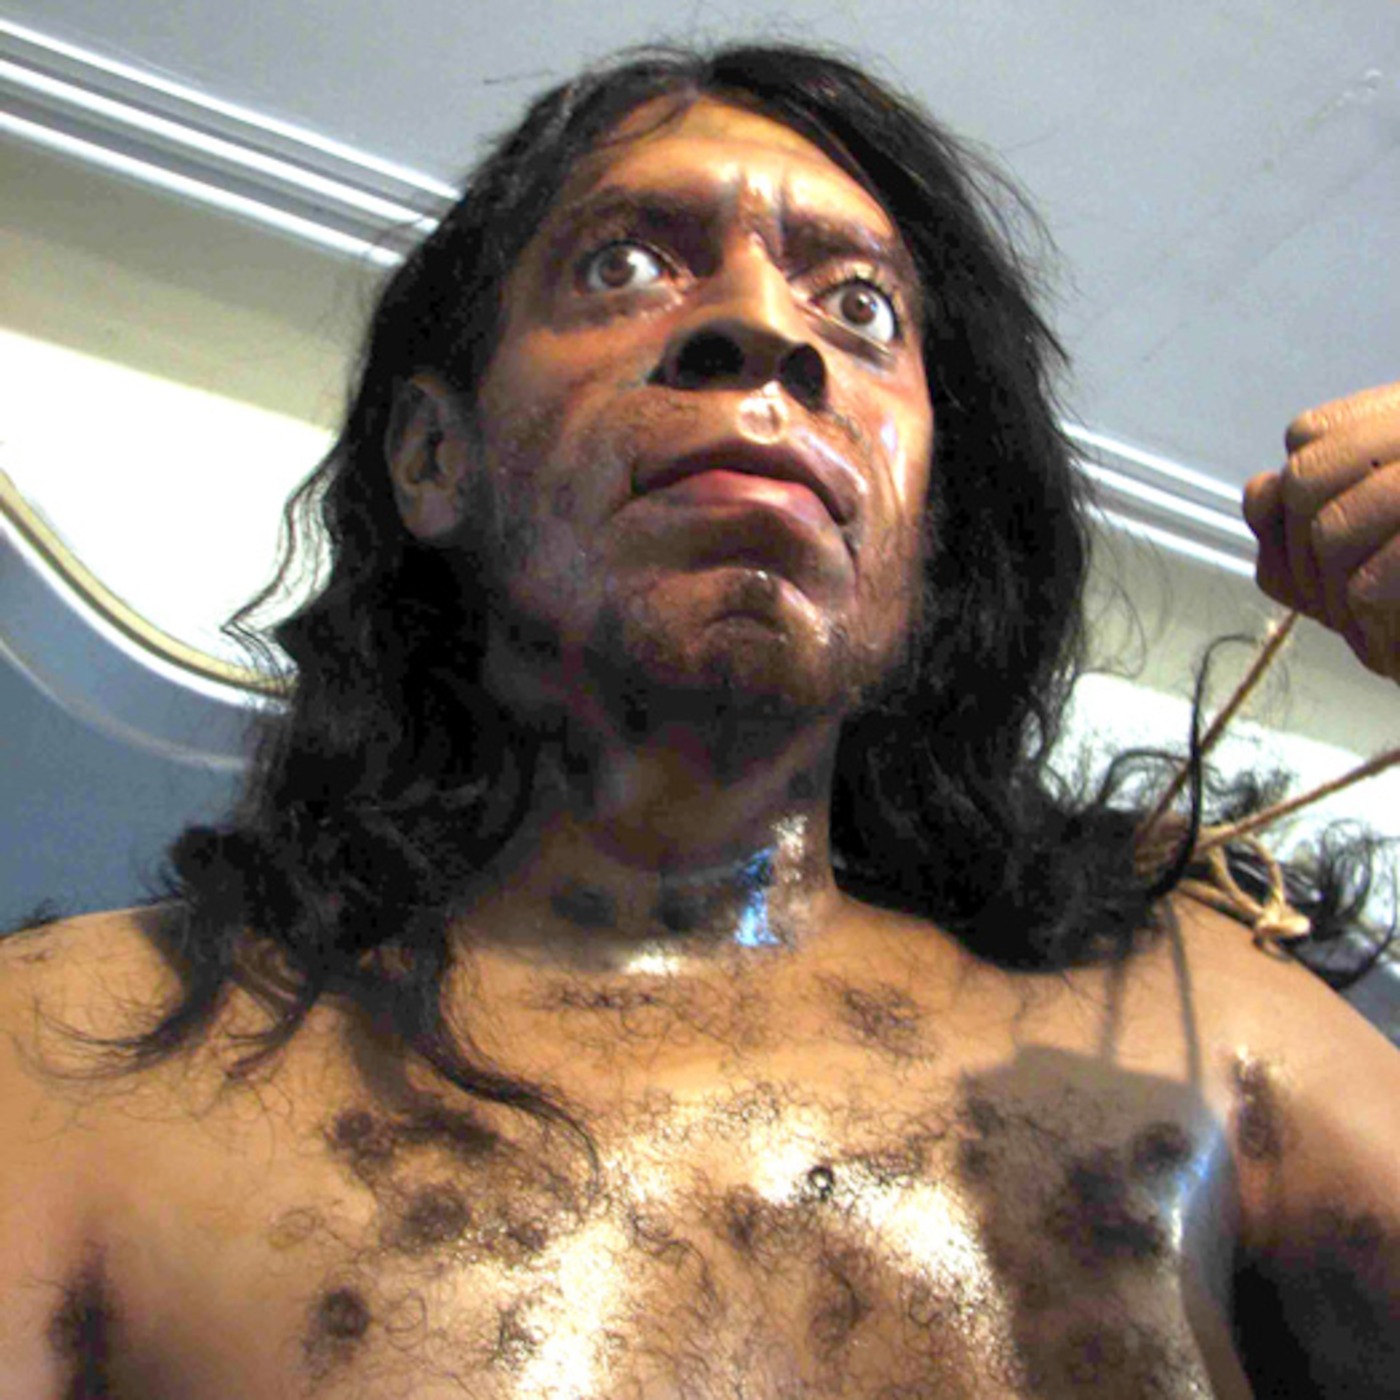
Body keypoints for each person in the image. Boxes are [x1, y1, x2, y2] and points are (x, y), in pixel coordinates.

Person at [2, 42, 1397, 1399]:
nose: (769, 329)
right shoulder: (68, 1056)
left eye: (862, 308)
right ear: (434, 457)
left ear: (928, 532)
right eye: (623, 265)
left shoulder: (1200, 1031)